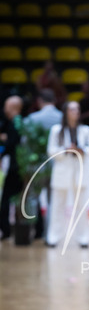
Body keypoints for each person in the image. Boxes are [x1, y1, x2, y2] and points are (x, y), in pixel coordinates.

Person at [45, 101, 89, 248]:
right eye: (72, 109)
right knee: (57, 206)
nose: (75, 112)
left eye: (77, 109)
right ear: (66, 112)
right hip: (62, 171)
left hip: (79, 172)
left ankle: (83, 238)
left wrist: (81, 150)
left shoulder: (85, 130)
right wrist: (66, 150)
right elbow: (51, 150)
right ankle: (53, 237)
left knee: (81, 207)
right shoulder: (56, 130)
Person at [26, 89, 63, 238]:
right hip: (57, 165)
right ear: (54, 100)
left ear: (39, 101)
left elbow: (26, 143)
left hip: (37, 165)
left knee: (32, 198)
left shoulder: (32, 118)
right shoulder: (62, 117)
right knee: (52, 201)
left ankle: (31, 231)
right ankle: (50, 234)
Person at [0, 96, 24, 240]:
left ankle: (5, 229)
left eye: (6, 106)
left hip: (16, 167)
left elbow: (12, 144)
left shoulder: (16, 122)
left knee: (6, 199)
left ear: (12, 107)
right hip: (20, 166)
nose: (4, 109)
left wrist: (2, 152)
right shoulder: (20, 121)